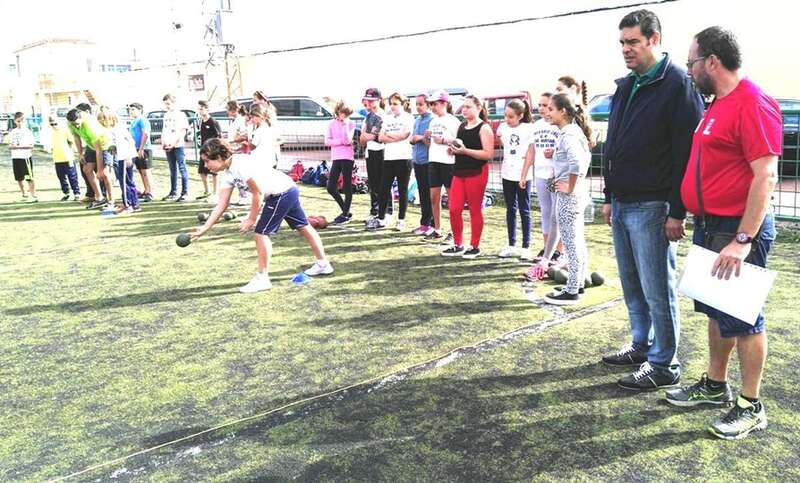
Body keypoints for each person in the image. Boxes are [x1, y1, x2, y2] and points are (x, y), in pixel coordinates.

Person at [666, 26, 782, 441]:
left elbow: (765, 175)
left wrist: (743, 239)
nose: (689, 69)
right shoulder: (719, 102)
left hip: (735, 230)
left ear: (712, 61)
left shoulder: (752, 102)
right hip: (712, 225)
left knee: (744, 318)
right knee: (718, 312)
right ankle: (715, 385)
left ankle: (751, 405)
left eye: (692, 61)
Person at [600, 9, 704, 391]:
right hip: (623, 202)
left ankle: (664, 363)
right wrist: (609, 195)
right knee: (632, 284)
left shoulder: (678, 84)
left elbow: (687, 153)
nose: (626, 49)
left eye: (633, 42)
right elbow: (613, 143)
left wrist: (677, 210)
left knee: (657, 288)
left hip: (653, 206)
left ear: (654, 39)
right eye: (622, 42)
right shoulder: (626, 85)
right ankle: (641, 345)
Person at [189, 138, 334, 293]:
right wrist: (204, 229)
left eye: (207, 161)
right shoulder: (228, 174)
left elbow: (257, 193)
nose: (206, 166)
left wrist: (251, 219)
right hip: (286, 190)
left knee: (261, 234)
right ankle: (323, 264)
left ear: (218, 157)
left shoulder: (240, 165)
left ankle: (262, 279)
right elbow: (222, 204)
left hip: (281, 193)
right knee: (303, 226)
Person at [530, 94, 593, 304]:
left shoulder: (568, 135)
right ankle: (578, 283)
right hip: (573, 194)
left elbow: (577, 164)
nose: (546, 113)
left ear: (563, 111)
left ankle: (572, 289)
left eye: (551, 109)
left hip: (569, 197)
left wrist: (570, 186)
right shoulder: (572, 132)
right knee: (577, 240)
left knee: (571, 242)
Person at [441, 95, 494, 259]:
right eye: (463, 106)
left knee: (474, 209)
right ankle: (458, 244)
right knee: (454, 209)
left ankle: (474, 246)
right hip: (459, 172)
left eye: (468, 107)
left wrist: (465, 151)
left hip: (477, 172)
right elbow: (459, 148)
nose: (464, 110)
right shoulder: (462, 126)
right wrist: (453, 150)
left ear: (479, 108)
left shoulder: (484, 128)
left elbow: (488, 154)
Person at [520, 93, 563, 263]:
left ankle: (559, 251)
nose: (542, 108)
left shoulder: (559, 125)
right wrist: (524, 174)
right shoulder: (536, 126)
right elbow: (531, 151)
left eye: (546, 105)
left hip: (556, 175)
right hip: (540, 174)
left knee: (557, 214)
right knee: (545, 212)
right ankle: (547, 249)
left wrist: (555, 152)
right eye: (540, 105)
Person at [368, 93, 415, 231]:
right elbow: (381, 137)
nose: (393, 106)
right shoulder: (387, 118)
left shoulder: (408, 117)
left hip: (404, 158)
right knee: (384, 189)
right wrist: (394, 137)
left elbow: (405, 135)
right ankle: (381, 218)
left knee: (402, 189)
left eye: (395, 104)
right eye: (391, 104)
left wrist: (390, 135)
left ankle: (401, 220)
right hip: (389, 158)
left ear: (402, 104)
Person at [496, 99, 535, 260]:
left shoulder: (528, 129)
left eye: (511, 116)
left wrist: (523, 176)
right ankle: (511, 244)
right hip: (507, 173)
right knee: (510, 209)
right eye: (505, 115)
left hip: (523, 174)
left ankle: (526, 246)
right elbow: (500, 138)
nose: (507, 119)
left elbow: (531, 152)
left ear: (520, 115)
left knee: (524, 209)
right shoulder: (503, 127)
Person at [425, 89, 461, 242]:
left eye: (436, 104)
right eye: (431, 104)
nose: (433, 107)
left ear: (444, 103)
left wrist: (445, 141)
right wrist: (427, 138)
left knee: (453, 199)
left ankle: (454, 231)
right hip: (434, 161)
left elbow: (460, 142)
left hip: (449, 163)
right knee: (434, 197)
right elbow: (430, 144)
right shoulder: (432, 121)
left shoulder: (453, 121)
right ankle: (437, 228)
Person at [67, 104, 113, 209]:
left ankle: (111, 201)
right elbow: (76, 137)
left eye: (77, 123)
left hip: (105, 145)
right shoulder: (70, 123)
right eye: (73, 124)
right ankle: (100, 198)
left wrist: (100, 170)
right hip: (91, 145)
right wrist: (80, 154)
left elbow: (99, 150)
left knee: (105, 174)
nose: (76, 126)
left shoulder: (90, 124)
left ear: (81, 118)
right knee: (87, 169)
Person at [98, 107, 139, 214]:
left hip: (125, 157)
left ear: (109, 119)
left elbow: (130, 141)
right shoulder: (112, 130)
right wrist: (113, 147)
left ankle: (128, 205)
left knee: (124, 181)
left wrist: (128, 156)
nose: (101, 123)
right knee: (128, 181)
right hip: (122, 156)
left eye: (103, 120)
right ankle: (134, 203)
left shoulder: (118, 129)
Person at [358, 88, 391, 221]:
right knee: (373, 183)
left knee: (384, 183)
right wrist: (369, 136)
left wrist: (371, 136)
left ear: (379, 100)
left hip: (383, 151)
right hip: (370, 152)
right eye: (368, 100)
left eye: (372, 100)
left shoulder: (385, 116)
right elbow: (362, 138)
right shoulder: (367, 117)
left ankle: (387, 211)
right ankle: (374, 210)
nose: (370, 103)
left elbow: (382, 137)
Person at [325, 100, 356, 225]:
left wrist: (345, 125)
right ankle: (345, 210)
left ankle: (345, 213)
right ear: (338, 111)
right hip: (336, 157)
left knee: (347, 185)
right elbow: (327, 141)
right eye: (343, 112)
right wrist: (339, 142)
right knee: (331, 187)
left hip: (347, 157)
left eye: (347, 114)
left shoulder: (350, 124)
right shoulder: (331, 123)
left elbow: (348, 140)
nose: (344, 115)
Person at [409, 93, 434, 235]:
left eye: (421, 104)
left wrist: (419, 138)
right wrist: (419, 138)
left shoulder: (432, 120)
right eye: (416, 104)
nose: (418, 107)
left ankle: (433, 224)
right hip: (417, 161)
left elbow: (429, 140)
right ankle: (424, 223)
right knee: (422, 193)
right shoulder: (417, 120)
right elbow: (412, 138)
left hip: (428, 162)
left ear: (428, 105)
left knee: (431, 194)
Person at [160, 93, 189, 202]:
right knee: (172, 169)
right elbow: (164, 130)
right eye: (165, 104)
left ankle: (185, 192)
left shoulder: (180, 115)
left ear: (173, 103)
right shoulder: (166, 115)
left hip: (178, 145)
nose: (167, 106)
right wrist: (163, 142)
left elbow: (182, 131)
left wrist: (174, 143)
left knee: (182, 168)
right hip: (168, 145)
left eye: (168, 103)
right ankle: (173, 192)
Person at [46, 116, 81, 201]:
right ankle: (66, 193)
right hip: (57, 159)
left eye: (55, 124)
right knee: (61, 178)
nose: (54, 126)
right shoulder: (50, 132)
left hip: (68, 158)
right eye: (52, 124)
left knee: (72, 176)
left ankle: (76, 193)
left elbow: (71, 141)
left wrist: (72, 150)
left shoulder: (65, 130)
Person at [9, 112, 37, 202]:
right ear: (15, 121)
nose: (20, 123)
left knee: (29, 177)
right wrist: (13, 147)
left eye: (21, 121)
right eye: (18, 121)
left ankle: (33, 195)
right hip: (15, 157)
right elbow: (10, 145)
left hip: (25, 157)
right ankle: (24, 195)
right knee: (19, 178)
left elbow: (31, 146)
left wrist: (19, 147)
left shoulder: (27, 131)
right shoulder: (13, 132)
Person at [128, 103, 153, 202]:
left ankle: (150, 192)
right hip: (136, 148)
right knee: (141, 171)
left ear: (139, 110)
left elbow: (145, 133)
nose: (131, 111)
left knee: (146, 171)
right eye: (130, 109)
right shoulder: (133, 121)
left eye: (133, 109)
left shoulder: (142, 120)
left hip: (144, 148)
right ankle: (146, 190)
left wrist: (141, 148)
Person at [197, 100, 221, 201]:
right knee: (202, 171)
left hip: (212, 151)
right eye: (199, 109)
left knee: (214, 172)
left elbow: (219, 136)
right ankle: (207, 191)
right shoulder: (200, 121)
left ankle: (215, 192)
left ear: (207, 109)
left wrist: (215, 149)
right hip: (204, 150)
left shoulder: (213, 122)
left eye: (202, 109)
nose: (200, 111)